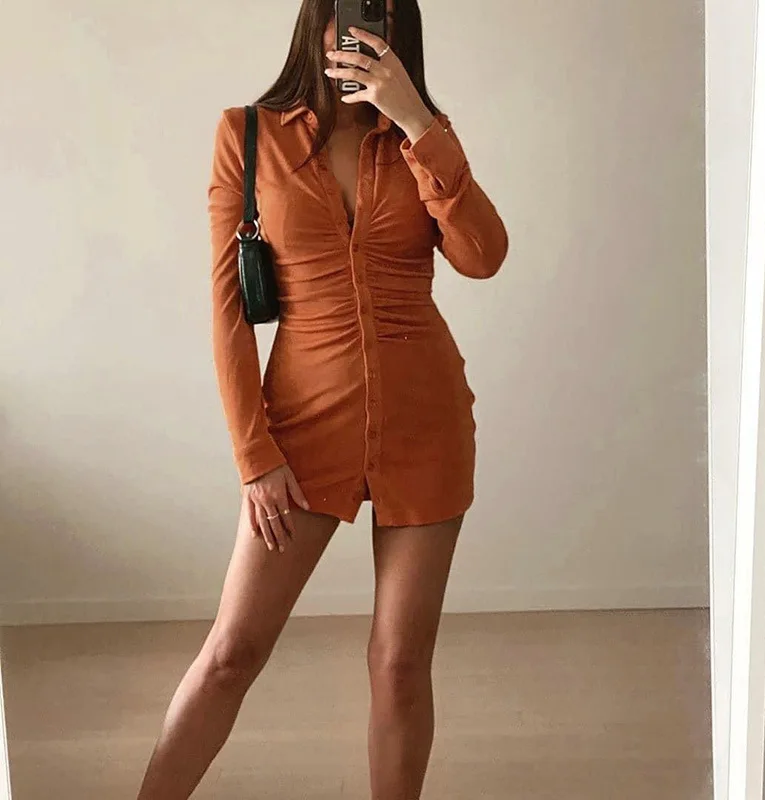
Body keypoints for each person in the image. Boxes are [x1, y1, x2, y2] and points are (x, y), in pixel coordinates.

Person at [137, 0, 507, 797]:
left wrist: (416, 121)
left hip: (426, 423)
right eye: (348, 11)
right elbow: (228, 316)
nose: (362, 31)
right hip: (301, 431)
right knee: (232, 653)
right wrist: (254, 456)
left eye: (381, 16)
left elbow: (483, 256)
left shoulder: (420, 137)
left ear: (401, 32)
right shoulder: (247, 135)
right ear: (316, 20)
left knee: (399, 663)